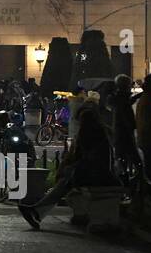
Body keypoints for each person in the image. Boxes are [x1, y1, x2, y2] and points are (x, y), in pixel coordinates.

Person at [19, 98, 118, 229]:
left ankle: (36, 211)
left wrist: (68, 168)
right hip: (95, 172)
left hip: (98, 174)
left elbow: (88, 159)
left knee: (66, 181)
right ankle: (36, 212)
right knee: (66, 181)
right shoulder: (98, 131)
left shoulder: (92, 133)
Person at [109, 74, 142, 179]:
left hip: (120, 134)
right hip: (125, 135)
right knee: (135, 162)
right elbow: (126, 110)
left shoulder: (118, 99)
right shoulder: (122, 100)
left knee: (122, 161)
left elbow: (126, 102)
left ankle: (124, 182)